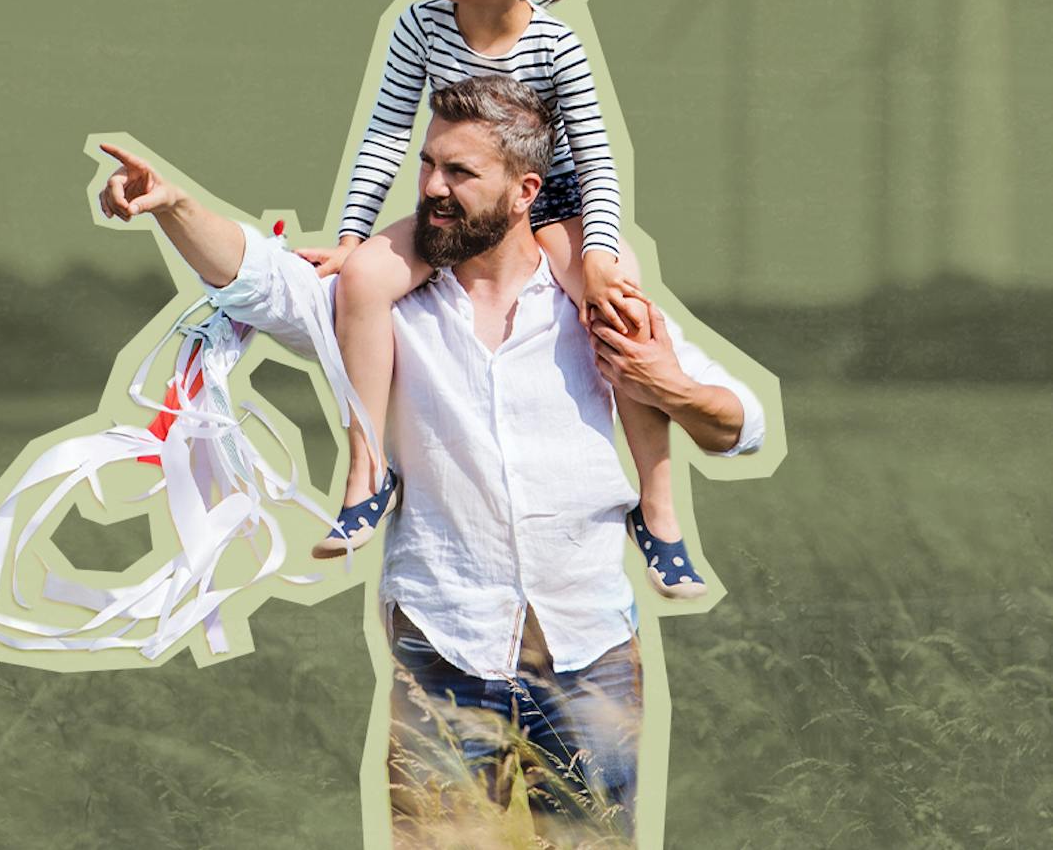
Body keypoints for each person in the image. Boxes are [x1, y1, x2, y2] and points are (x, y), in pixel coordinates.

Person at [96, 75, 766, 842]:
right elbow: (260, 278)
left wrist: (665, 383)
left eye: (460, 172)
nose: (432, 188)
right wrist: (175, 206)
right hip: (442, 647)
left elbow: (740, 423)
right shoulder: (379, 305)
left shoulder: (591, 300)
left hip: (590, 650)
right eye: (428, 165)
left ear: (525, 191)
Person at [290, 0, 701, 599]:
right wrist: (353, 237)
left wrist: (599, 254)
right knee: (364, 280)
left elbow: (597, 158)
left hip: (553, 203)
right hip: (459, 203)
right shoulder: (419, 26)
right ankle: (366, 472)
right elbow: (385, 135)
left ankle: (660, 511)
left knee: (622, 307)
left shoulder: (556, 45)